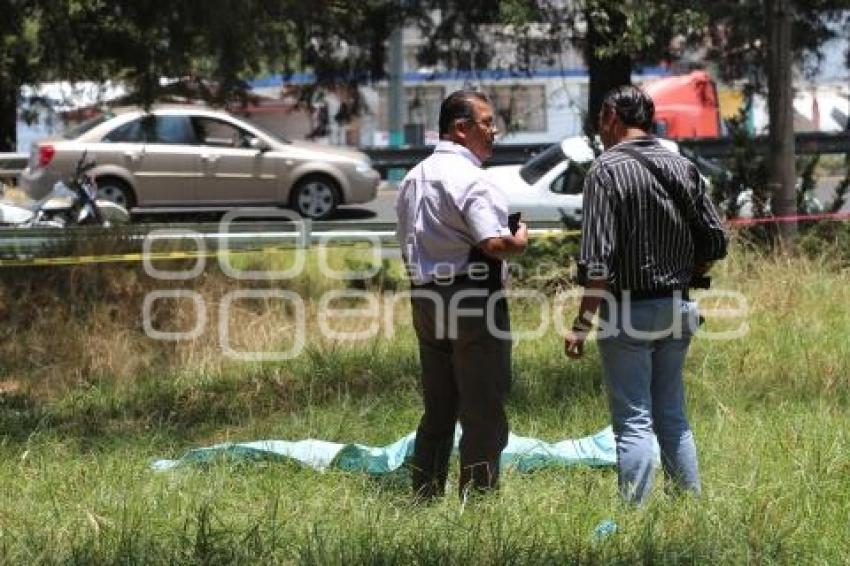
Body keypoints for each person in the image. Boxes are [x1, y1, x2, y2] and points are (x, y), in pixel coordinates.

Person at [564, 85, 728, 505]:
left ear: (611, 117)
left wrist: (581, 326)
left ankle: (635, 518)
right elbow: (715, 243)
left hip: (626, 311)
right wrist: (684, 274)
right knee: (673, 416)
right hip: (678, 306)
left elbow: (597, 262)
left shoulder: (605, 170)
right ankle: (689, 507)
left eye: (601, 121)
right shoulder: (682, 166)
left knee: (634, 420)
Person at [395, 90, 529, 501]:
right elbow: (494, 243)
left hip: (425, 298)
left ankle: (425, 493)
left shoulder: (413, 176)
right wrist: (520, 240)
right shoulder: (470, 177)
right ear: (460, 128)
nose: (494, 132)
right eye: (487, 123)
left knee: (439, 406)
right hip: (471, 298)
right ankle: (479, 500)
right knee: (483, 405)